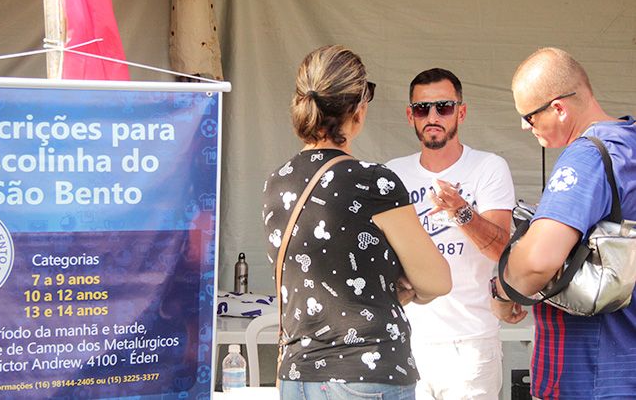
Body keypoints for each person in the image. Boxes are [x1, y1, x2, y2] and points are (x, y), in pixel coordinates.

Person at [262, 45, 451, 399]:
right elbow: (437, 280)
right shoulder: (373, 182)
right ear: (358, 109)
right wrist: (405, 289)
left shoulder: (277, 181)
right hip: (366, 370)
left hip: (296, 373)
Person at [491, 47, 636, 399]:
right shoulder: (628, 143)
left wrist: (500, 289)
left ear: (558, 108)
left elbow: (537, 263)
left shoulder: (587, 156)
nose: (524, 126)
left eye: (528, 115)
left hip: (589, 375)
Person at [386, 68, 520, 400]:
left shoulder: (488, 167)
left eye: (443, 107)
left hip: (470, 345)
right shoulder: (392, 172)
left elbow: (503, 248)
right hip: (406, 340)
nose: (432, 116)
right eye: (422, 109)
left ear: (461, 111)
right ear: (410, 115)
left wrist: (461, 211)